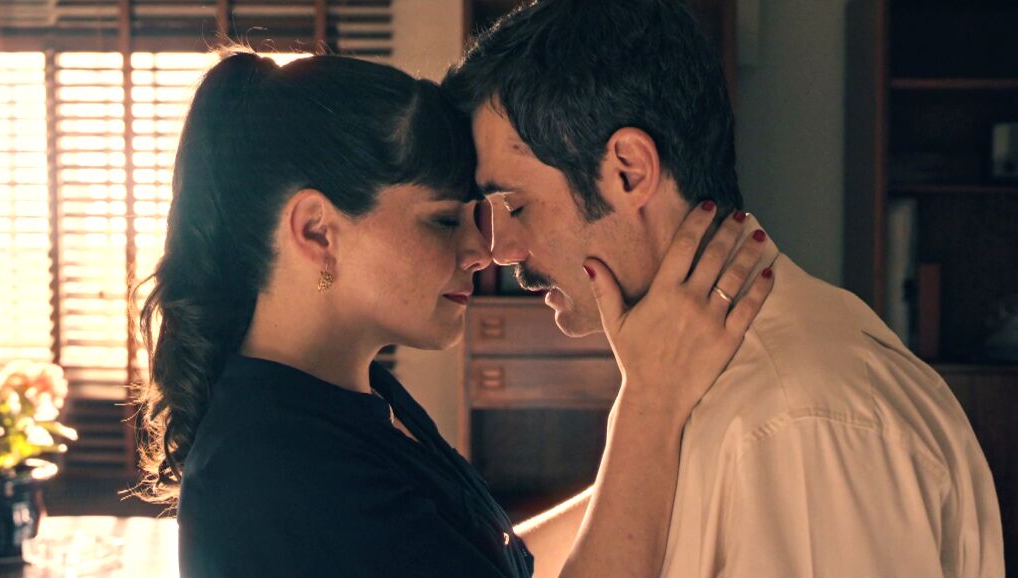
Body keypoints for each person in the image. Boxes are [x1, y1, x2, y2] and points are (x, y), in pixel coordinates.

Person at [132, 47, 774, 577]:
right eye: (443, 221)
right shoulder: (274, 467)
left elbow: (488, 562)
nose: (483, 251)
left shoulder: (359, 394)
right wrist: (650, 402)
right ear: (317, 231)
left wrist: (675, 449)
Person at [442, 0, 1006, 577]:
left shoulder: (797, 419)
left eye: (516, 206)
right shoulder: (701, 390)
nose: (502, 251)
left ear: (630, 171)